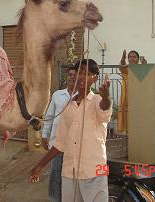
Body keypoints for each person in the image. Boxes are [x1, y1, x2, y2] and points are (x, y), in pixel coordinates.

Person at [30, 59, 112, 202]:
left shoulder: (98, 100)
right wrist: (40, 165)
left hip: (96, 169)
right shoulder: (69, 105)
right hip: (70, 171)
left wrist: (106, 96)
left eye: (86, 73)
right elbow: (60, 142)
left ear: (95, 77)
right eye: (79, 73)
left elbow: (105, 108)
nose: (80, 77)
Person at [41, 67, 77, 202]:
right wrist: (45, 135)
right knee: (56, 173)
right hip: (57, 143)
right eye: (70, 74)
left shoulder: (82, 96)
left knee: (71, 176)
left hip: (75, 145)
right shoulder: (57, 95)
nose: (71, 77)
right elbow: (50, 116)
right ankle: (55, 199)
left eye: (74, 75)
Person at [118, 50, 147, 133]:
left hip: (138, 96)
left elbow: (146, 73)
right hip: (127, 96)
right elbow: (121, 67)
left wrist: (144, 63)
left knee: (138, 117)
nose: (132, 59)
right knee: (127, 116)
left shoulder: (140, 69)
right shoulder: (126, 68)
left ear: (138, 59)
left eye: (134, 57)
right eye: (130, 57)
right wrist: (123, 58)